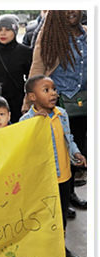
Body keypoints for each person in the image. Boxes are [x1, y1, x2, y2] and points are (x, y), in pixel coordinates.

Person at [20, 75, 86, 257]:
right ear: (32, 97)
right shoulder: (26, 121)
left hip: (64, 177)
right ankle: (46, 249)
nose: (54, 93)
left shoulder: (62, 114)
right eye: (46, 90)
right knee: (47, 217)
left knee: (62, 216)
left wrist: (77, 154)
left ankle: (60, 249)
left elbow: (69, 139)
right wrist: (35, 125)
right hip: (43, 181)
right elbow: (22, 149)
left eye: (54, 89)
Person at [27, 10, 87, 214]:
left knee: (79, 151)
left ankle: (71, 193)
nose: (71, 10)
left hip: (87, 104)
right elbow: (37, 68)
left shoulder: (89, 33)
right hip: (60, 104)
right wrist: (30, 105)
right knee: (61, 151)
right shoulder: (50, 34)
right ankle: (65, 197)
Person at [0, 15, 32, 123]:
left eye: (7, 30)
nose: (3, 33)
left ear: (15, 31)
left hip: (17, 98)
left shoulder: (25, 51)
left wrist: (27, 96)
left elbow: (30, 76)